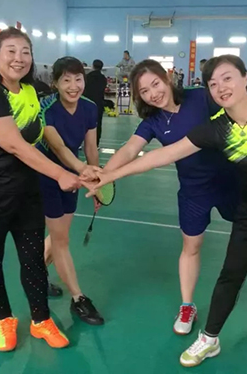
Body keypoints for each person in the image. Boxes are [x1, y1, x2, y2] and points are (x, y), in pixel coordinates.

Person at [86, 54, 247, 372]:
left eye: (227, 78)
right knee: (228, 273)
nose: (221, 88)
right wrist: (107, 175)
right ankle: (208, 335)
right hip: (240, 205)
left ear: (246, 78)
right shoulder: (213, 129)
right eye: (214, 83)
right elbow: (157, 155)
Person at [101, 59, 239, 335]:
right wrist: (103, 176)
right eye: (145, 91)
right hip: (193, 190)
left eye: (155, 84)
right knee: (191, 246)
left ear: (166, 77)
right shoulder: (153, 121)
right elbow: (130, 150)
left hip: (232, 181)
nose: (153, 94)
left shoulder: (200, 97)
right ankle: (187, 305)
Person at [0, 27, 80, 352]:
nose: (19, 58)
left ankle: (41, 321)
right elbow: (15, 145)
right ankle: (5, 320)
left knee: (33, 261)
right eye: (11, 51)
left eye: (25, 52)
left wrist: (79, 166)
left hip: (26, 193)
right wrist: (60, 174)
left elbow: (43, 133)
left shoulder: (29, 91)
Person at [38, 56, 104, 326]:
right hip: (46, 175)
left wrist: (97, 180)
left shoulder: (89, 108)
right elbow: (59, 148)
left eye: (78, 79)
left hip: (75, 177)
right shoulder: (46, 108)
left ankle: (36, 276)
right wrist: (83, 171)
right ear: (55, 83)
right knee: (61, 240)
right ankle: (78, 298)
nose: (74, 86)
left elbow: (91, 147)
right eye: (66, 80)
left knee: (59, 235)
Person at [83, 59, 108, 146]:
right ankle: (96, 144)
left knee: (84, 123)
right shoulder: (103, 79)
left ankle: (82, 143)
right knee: (98, 124)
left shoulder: (87, 77)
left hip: (87, 103)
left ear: (93, 66)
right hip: (99, 105)